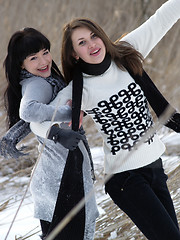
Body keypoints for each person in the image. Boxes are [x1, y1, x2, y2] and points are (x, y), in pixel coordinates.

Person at [30, 0, 180, 239]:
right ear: (73, 54)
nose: (91, 45)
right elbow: (36, 120)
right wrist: (59, 133)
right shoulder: (78, 90)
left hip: (155, 167)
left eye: (93, 36)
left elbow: (161, 19)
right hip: (125, 179)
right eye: (82, 43)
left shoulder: (127, 52)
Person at [2, 27, 99, 239]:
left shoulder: (46, 80)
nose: (43, 61)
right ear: (22, 64)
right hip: (62, 178)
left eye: (45, 52)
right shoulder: (38, 84)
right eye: (33, 58)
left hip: (55, 177)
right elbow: (28, 111)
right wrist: (69, 112)